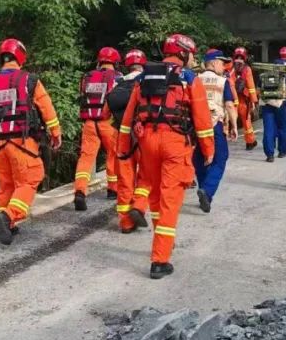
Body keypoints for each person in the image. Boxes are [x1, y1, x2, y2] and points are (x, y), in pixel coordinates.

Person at [116, 34, 214, 279]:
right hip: (174, 143)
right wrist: (208, 149)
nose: (193, 58)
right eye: (191, 54)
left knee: (156, 198)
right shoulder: (189, 79)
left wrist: (123, 147)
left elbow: (128, 119)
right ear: (183, 53)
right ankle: (160, 260)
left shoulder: (143, 77)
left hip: (147, 142)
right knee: (171, 200)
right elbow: (202, 121)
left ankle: (164, 243)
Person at [0, 38, 63, 245]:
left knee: (6, 185)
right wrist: (56, 133)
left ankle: (7, 228)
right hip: (23, 144)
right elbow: (47, 109)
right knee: (31, 178)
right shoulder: (29, 80)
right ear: (20, 57)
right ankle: (8, 216)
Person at [72, 47, 122, 211]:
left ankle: (80, 190)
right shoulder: (117, 77)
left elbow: (82, 96)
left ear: (100, 61)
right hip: (108, 122)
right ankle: (112, 189)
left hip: (89, 123)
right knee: (113, 154)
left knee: (86, 157)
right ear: (115, 62)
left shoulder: (86, 77)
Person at [109, 49, 149, 233]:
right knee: (146, 175)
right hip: (143, 136)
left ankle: (125, 223)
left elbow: (104, 112)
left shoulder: (118, 82)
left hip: (122, 137)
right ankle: (139, 206)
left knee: (125, 180)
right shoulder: (147, 81)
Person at [193, 50, 237, 213]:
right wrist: (233, 125)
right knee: (220, 157)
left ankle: (204, 190)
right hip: (214, 125)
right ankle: (207, 190)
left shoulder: (194, 79)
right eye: (221, 62)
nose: (224, 66)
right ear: (212, 62)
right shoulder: (222, 81)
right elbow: (229, 105)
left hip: (196, 126)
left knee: (199, 158)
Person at [260, 46, 286, 163]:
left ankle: (269, 154)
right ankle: (283, 150)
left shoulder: (269, 67)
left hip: (266, 101)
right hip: (281, 102)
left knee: (269, 128)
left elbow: (260, 85)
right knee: (284, 127)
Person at [230, 47, 259, 150]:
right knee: (246, 122)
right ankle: (250, 142)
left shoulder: (230, 67)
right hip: (244, 100)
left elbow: (230, 83)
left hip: (232, 100)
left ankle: (222, 142)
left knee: (227, 120)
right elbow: (251, 87)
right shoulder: (247, 69)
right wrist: (254, 101)